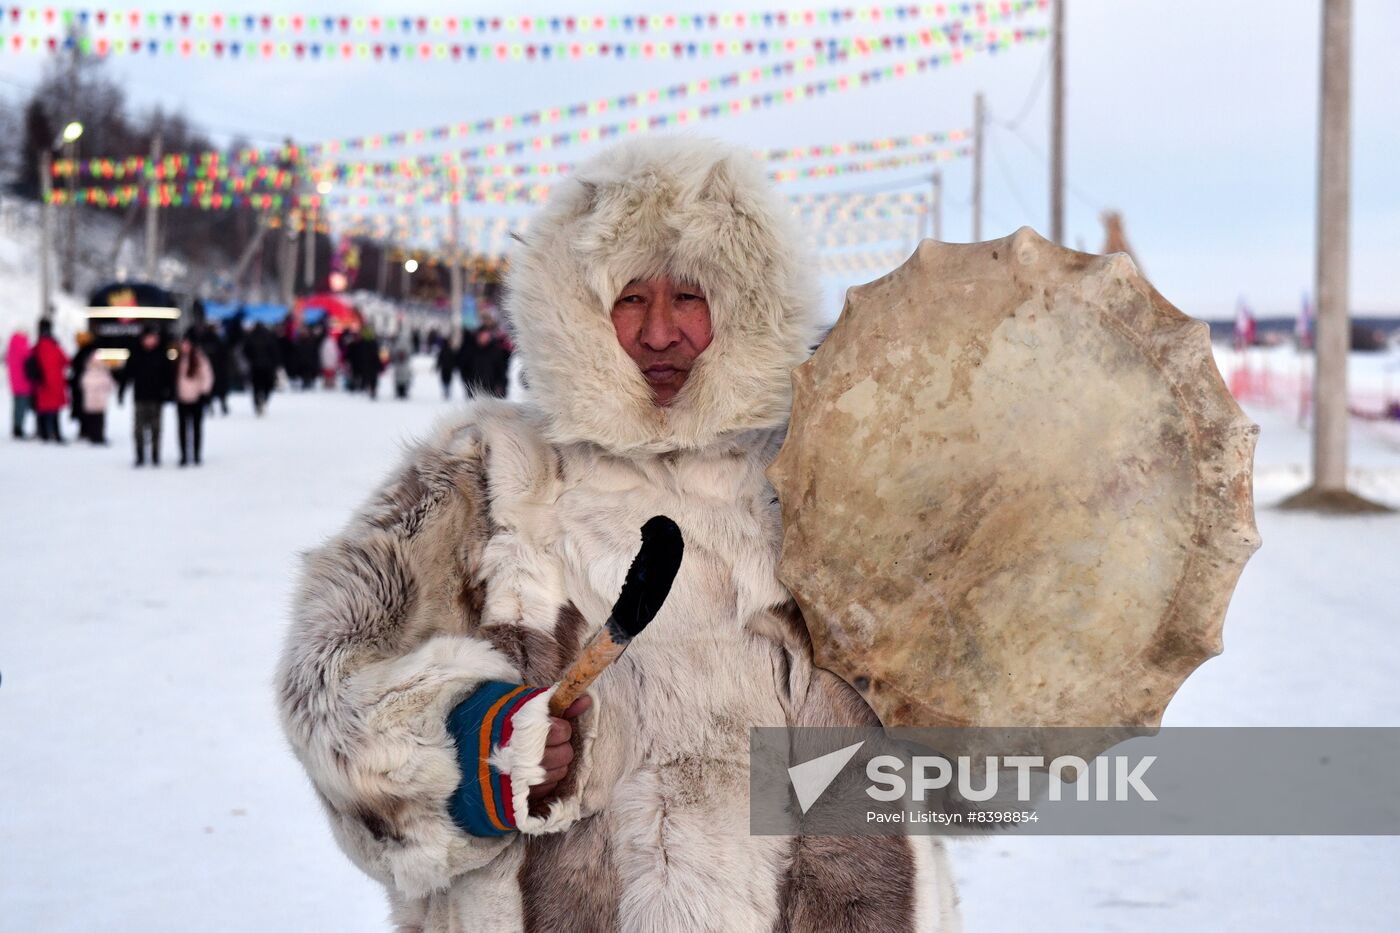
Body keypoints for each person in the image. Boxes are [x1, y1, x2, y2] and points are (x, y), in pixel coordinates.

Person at [276, 138, 960, 931]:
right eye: (631, 296)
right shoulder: (486, 473)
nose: (660, 332)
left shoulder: (828, 473)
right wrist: (472, 752)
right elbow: (327, 684)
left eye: (692, 296)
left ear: (748, 307)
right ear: (575, 306)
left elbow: (951, 712)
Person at [121, 326, 173, 467]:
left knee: (156, 429)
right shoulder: (136, 354)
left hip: (157, 398)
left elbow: (169, 376)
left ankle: (155, 455)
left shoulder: (162, 354)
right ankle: (140, 456)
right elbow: (127, 374)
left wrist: (170, 392)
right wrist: (121, 391)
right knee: (139, 429)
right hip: (140, 397)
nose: (151, 340)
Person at [174, 334, 214, 466]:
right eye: (183, 343)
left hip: (196, 398)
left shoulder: (199, 358)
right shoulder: (177, 358)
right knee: (182, 429)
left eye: (187, 343)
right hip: (181, 398)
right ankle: (184, 455)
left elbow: (207, 376)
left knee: (196, 428)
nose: (184, 346)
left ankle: (196, 454)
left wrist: (204, 392)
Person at [31, 319, 69, 443]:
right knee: (55, 411)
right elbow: (66, 361)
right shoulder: (55, 345)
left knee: (43, 410)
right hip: (56, 382)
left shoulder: (37, 347)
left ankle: (44, 434)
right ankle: (57, 434)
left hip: (42, 383)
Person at [243, 322, 279, 415]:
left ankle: (257, 403)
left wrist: (251, 360)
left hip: (255, 367)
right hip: (268, 367)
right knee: (268, 386)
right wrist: (274, 364)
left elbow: (245, 352)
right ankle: (264, 400)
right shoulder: (269, 337)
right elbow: (275, 352)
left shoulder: (250, 337)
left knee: (256, 387)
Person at [79, 353, 114, 445]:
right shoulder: (103, 373)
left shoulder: (88, 373)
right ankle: (97, 436)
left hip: (93, 400)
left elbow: (83, 385)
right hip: (98, 400)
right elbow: (109, 385)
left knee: (94, 419)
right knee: (98, 420)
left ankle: (95, 436)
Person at [67, 331, 96, 439]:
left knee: (84, 408)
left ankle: (86, 430)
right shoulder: (86, 351)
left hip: (84, 386)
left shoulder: (86, 352)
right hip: (81, 385)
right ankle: (85, 430)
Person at [7, 329, 34, 439]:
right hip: (24, 384)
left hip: (14, 384)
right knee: (22, 408)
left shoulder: (11, 349)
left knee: (16, 407)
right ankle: (19, 429)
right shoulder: (24, 348)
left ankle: (15, 427)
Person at [200, 324, 232, 416]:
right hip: (219, 368)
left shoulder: (203, 339)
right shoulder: (219, 339)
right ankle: (222, 405)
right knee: (220, 388)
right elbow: (225, 354)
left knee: (210, 388)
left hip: (209, 368)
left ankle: (210, 405)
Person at [353, 326, 383, 400]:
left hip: (366, 363)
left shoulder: (362, 342)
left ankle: (367, 389)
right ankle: (372, 389)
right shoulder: (373, 342)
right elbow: (377, 354)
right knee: (373, 378)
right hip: (372, 363)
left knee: (367, 377)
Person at [390, 328, 414, 400]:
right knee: (405, 378)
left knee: (398, 378)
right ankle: (404, 391)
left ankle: (399, 391)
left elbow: (393, 353)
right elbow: (410, 352)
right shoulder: (408, 344)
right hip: (404, 364)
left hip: (398, 364)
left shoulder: (396, 343)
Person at [435, 332, 459, 400]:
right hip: (444, 368)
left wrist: (455, 366)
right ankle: (446, 391)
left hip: (449, 368)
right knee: (444, 380)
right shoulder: (443, 350)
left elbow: (455, 359)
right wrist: (437, 366)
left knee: (448, 380)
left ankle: (447, 391)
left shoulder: (452, 350)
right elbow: (439, 359)